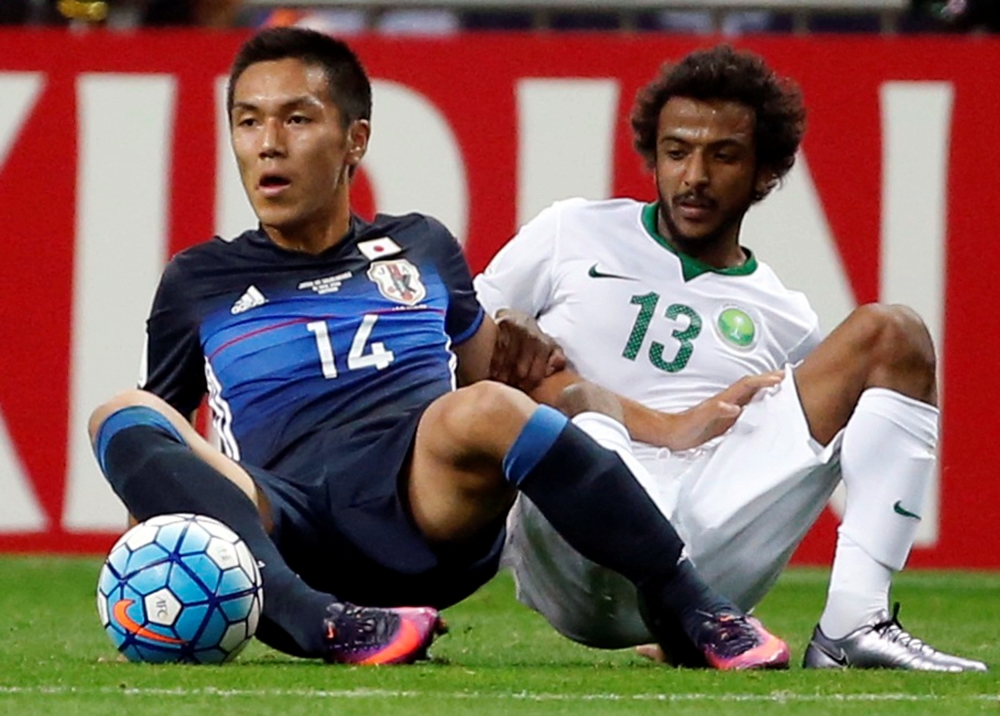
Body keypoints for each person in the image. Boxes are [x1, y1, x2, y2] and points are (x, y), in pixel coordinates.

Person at [87, 27, 791, 670]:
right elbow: (164, 455)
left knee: (486, 405)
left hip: (420, 508)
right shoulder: (196, 280)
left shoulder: (421, 246)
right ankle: (323, 623)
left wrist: (660, 422)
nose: (267, 142)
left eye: (296, 118)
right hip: (283, 522)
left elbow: (520, 392)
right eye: (247, 121)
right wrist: (153, 573)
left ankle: (693, 606)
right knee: (121, 412)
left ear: (354, 138)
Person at [475, 45, 988, 672]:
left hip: (709, 559)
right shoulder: (571, 233)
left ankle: (854, 623)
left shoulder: (785, 316)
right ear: (653, 157)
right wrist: (508, 321)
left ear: (765, 172)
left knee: (893, 334)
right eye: (677, 151)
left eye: (723, 156)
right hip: (574, 547)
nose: (694, 175)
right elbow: (457, 349)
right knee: (580, 407)